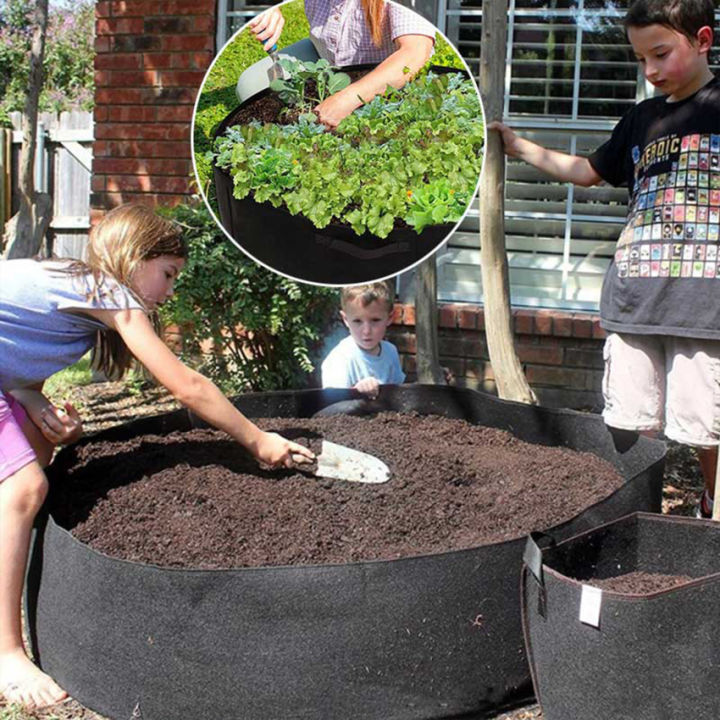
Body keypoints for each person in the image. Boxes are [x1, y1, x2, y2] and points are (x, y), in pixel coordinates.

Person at [0, 204, 314, 709]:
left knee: (34, 453)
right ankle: (6, 653)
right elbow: (187, 387)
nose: (169, 292)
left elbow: (15, 350)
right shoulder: (110, 293)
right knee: (25, 488)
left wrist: (38, 406)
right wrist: (257, 440)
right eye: (167, 274)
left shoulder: (72, 284)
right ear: (135, 256)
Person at [489, 0, 719, 517]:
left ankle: (711, 511)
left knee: (708, 422)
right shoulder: (640, 119)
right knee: (627, 418)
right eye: (640, 60)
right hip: (635, 297)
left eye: (660, 54)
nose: (650, 71)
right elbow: (587, 171)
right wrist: (520, 147)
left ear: (702, 39)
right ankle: (631, 515)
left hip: (706, 305)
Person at [249, 0, 435, 127]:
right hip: (325, 58)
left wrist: (346, 99)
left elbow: (415, 52)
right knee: (250, 87)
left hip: (382, 76)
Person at [321, 281, 405, 397]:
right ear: (345, 319)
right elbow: (331, 406)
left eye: (375, 320)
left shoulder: (390, 352)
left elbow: (399, 395)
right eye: (357, 321)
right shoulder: (340, 359)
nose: (366, 331)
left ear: (390, 317)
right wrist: (356, 391)